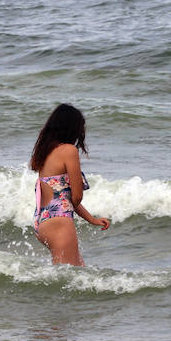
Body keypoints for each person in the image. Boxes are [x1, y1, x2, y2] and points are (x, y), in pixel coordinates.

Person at [30, 104, 110, 266]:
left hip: (43, 222)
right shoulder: (69, 150)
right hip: (60, 223)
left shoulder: (45, 154)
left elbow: (65, 199)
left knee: (79, 271)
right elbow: (76, 196)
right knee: (65, 278)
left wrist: (92, 219)